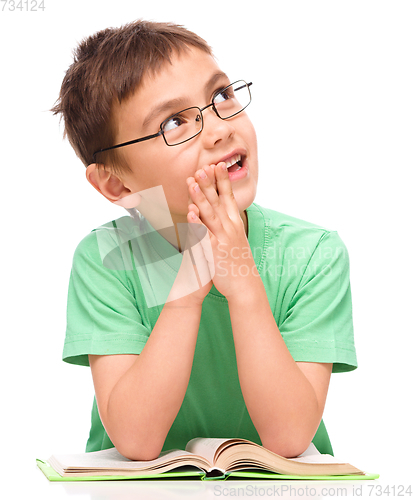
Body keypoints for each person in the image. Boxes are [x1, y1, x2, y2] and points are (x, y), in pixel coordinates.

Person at [53, 20, 357, 461]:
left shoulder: (313, 255)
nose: (219, 129)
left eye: (220, 96)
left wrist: (244, 285)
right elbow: (136, 441)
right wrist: (184, 297)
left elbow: (290, 437)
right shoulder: (108, 259)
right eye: (174, 122)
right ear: (117, 185)